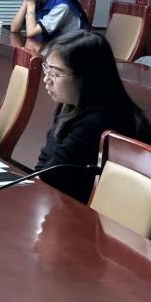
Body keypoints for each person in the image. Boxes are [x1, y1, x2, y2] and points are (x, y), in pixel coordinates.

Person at [36, 31, 151, 202]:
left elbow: (52, 177)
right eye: (47, 68)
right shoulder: (69, 105)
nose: (46, 79)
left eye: (55, 73)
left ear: (86, 76)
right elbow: (44, 164)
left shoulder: (101, 120)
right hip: (67, 202)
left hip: (98, 212)